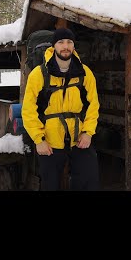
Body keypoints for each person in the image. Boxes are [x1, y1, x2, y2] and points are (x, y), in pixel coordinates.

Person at [22, 28, 100, 190]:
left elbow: (93, 104)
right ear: (54, 46)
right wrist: (39, 140)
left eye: (69, 42)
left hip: (79, 137)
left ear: (73, 46)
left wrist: (88, 132)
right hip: (49, 139)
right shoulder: (39, 74)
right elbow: (28, 109)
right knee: (50, 184)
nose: (65, 46)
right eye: (61, 42)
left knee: (88, 178)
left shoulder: (84, 72)